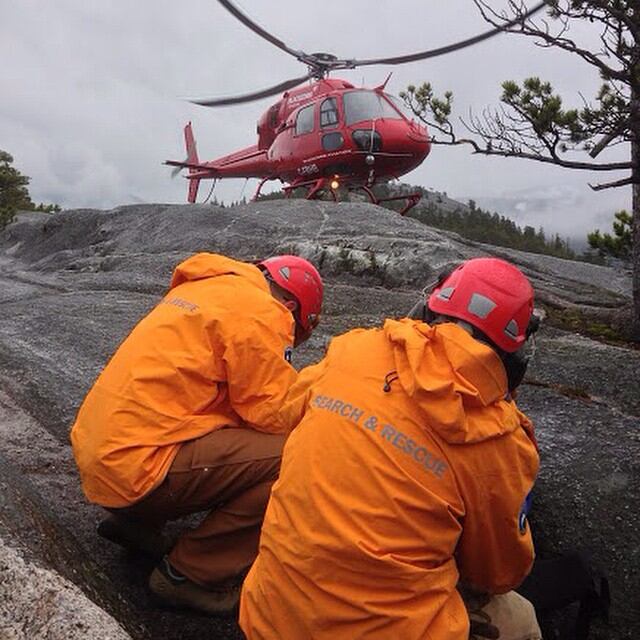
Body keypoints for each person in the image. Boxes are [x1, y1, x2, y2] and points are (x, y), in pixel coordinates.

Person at [240, 257, 542, 640]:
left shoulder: (352, 350)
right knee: (522, 620)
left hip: (267, 619)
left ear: (428, 309)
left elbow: (286, 411)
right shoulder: (499, 439)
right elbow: (498, 574)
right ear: (515, 356)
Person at [70, 251, 323, 615]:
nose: (288, 343)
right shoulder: (263, 311)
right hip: (136, 468)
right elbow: (272, 412)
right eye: (295, 336)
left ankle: (136, 524)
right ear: (291, 305)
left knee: (205, 415)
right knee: (300, 453)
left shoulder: (210, 288)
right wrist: (323, 394)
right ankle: (189, 575)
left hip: (103, 455)